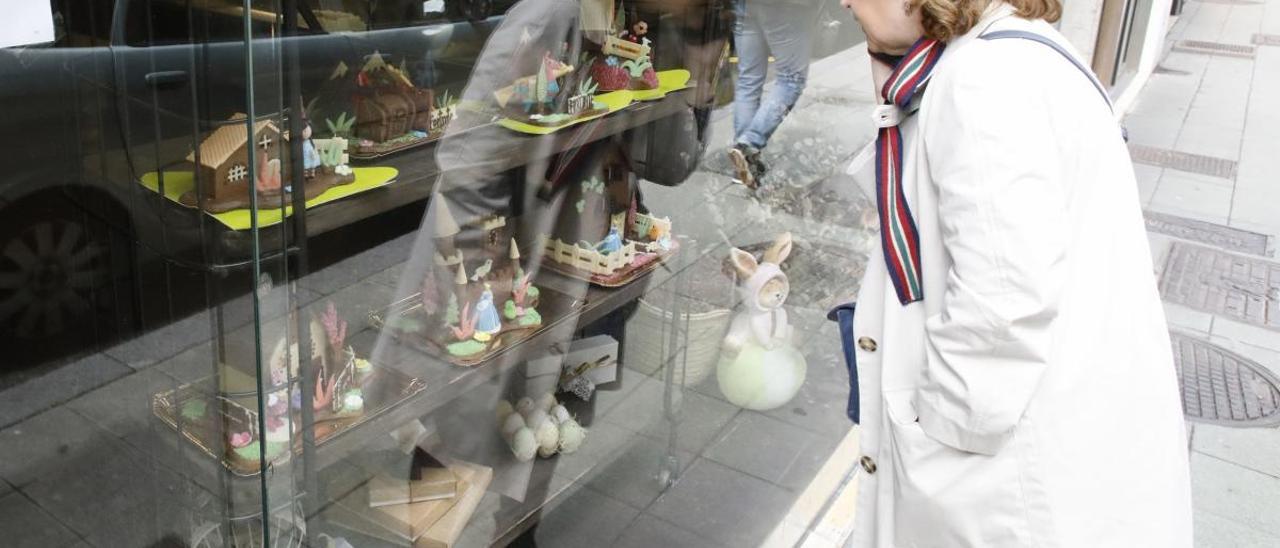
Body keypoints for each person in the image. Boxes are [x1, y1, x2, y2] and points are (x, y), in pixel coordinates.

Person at [835, 0, 1193, 546]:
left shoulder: (983, 79)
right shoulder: (1019, 51)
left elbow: (1002, 303)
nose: (844, 3)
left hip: (1008, 487)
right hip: (1069, 447)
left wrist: (936, 442)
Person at [728, 0, 820, 188]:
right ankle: (748, 145)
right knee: (791, 79)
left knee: (748, 80)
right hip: (784, 6)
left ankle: (743, 165)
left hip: (743, 4)